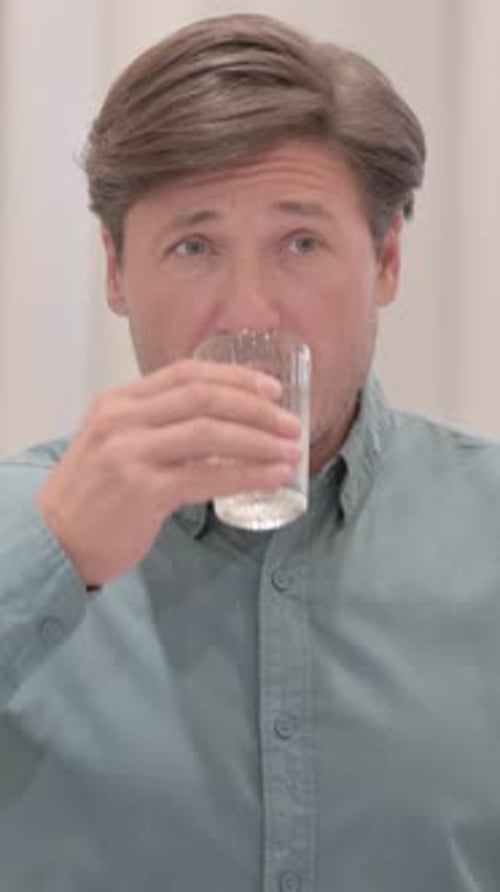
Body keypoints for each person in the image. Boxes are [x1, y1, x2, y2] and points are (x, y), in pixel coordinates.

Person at [1, 11, 500, 892]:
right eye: (193, 246)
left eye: (300, 244)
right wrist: (52, 558)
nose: (249, 315)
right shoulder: (23, 523)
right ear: (116, 272)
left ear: (386, 261)